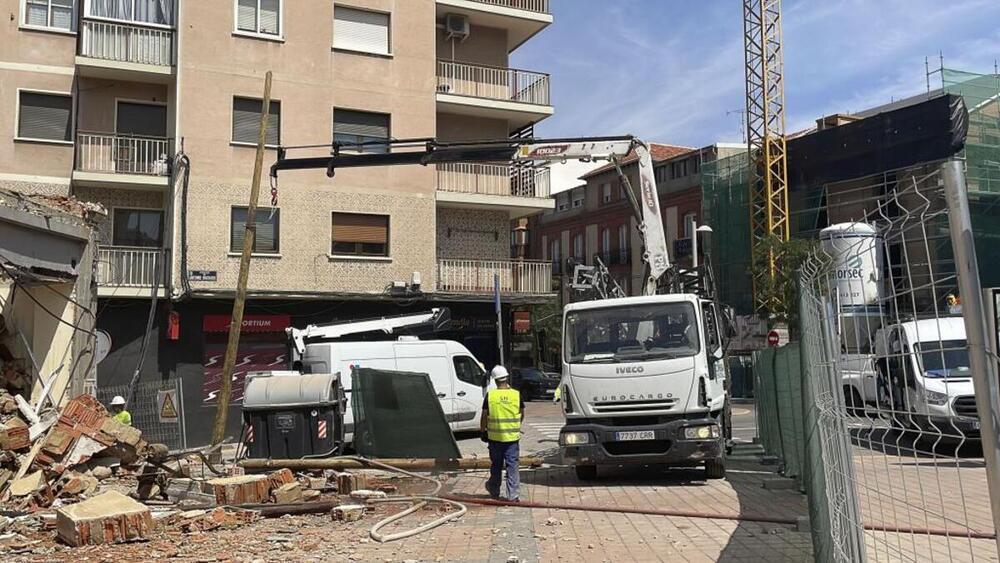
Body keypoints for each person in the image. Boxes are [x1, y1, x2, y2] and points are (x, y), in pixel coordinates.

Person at [480, 366, 524, 501]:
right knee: (512, 466)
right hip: (511, 439)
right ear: (507, 377)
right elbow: (522, 414)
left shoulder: (491, 395)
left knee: (496, 465)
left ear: (494, 380)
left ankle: (494, 490)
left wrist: (483, 432)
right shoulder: (516, 395)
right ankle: (513, 495)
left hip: (494, 439)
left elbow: (484, 416)